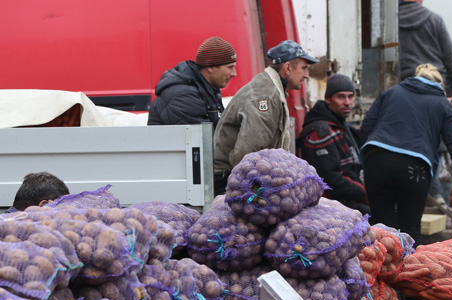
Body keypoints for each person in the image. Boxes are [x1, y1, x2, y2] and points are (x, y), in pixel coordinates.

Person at [360, 64, 452, 243]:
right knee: (410, 230)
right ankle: (407, 269)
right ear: (440, 86)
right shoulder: (442, 103)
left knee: (380, 230)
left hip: (376, 160)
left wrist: (363, 163)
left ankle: (380, 270)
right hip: (414, 168)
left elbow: (366, 128)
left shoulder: (390, 92)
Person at [213, 40, 318, 195]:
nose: (307, 75)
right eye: (304, 68)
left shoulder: (270, 89)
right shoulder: (265, 95)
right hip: (231, 183)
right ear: (288, 68)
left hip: (238, 179)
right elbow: (246, 155)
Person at [299, 74, 368, 213]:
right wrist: (365, 193)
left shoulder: (341, 125)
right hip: (330, 204)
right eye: (341, 97)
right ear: (328, 99)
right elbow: (332, 180)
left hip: (348, 197)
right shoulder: (320, 131)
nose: (347, 102)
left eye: (350, 96)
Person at [148, 36, 237, 130]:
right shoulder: (184, 97)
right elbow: (203, 141)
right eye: (230, 67)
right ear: (210, 67)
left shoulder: (206, 91)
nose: (234, 73)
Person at [399, 0, 452, 105]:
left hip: (404, 85)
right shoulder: (435, 20)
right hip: (434, 83)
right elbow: (450, 56)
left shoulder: (392, 24)